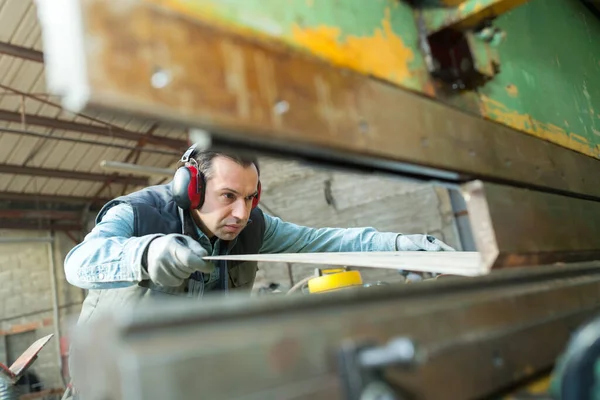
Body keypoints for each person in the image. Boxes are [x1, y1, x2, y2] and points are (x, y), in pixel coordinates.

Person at [65, 145, 454, 322]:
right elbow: (78, 263)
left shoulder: (252, 227)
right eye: (228, 196)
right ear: (191, 188)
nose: (241, 212)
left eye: (251, 197)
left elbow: (325, 241)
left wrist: (401, 245)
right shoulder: (138, 213)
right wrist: (146, 255)